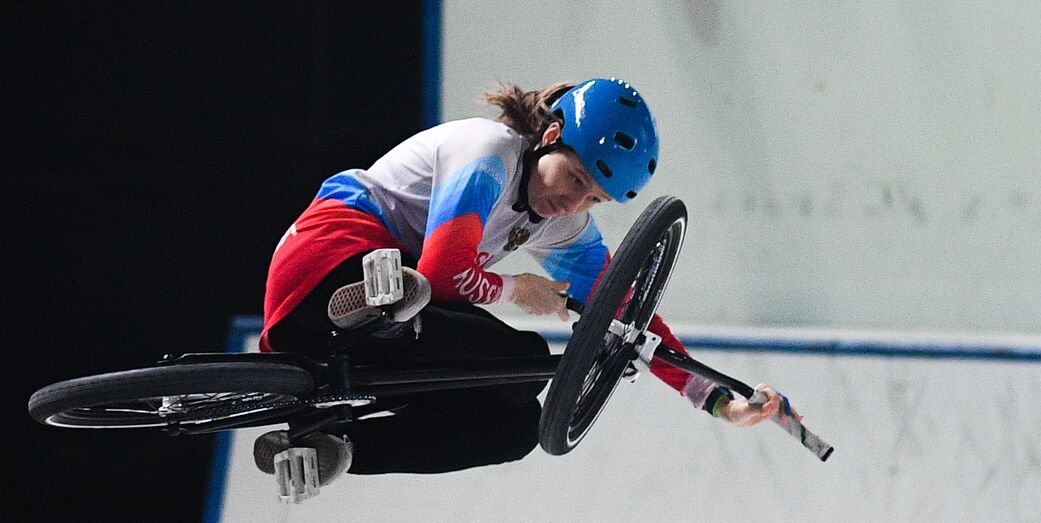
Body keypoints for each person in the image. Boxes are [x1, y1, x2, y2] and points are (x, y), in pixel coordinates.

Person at [255, 77, 792, 486]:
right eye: (576, 179)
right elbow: (443, 273)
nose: (574, 204)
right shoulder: (490, 153)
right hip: (327, 266)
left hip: (343, 331)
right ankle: (379, 315)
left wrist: (718, 398)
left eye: (593, 200)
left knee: (515, 421)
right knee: (525, 349)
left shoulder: (561, 225)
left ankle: (339, 446)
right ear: (551, 136)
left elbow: (628, 320)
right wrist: (518, 290)